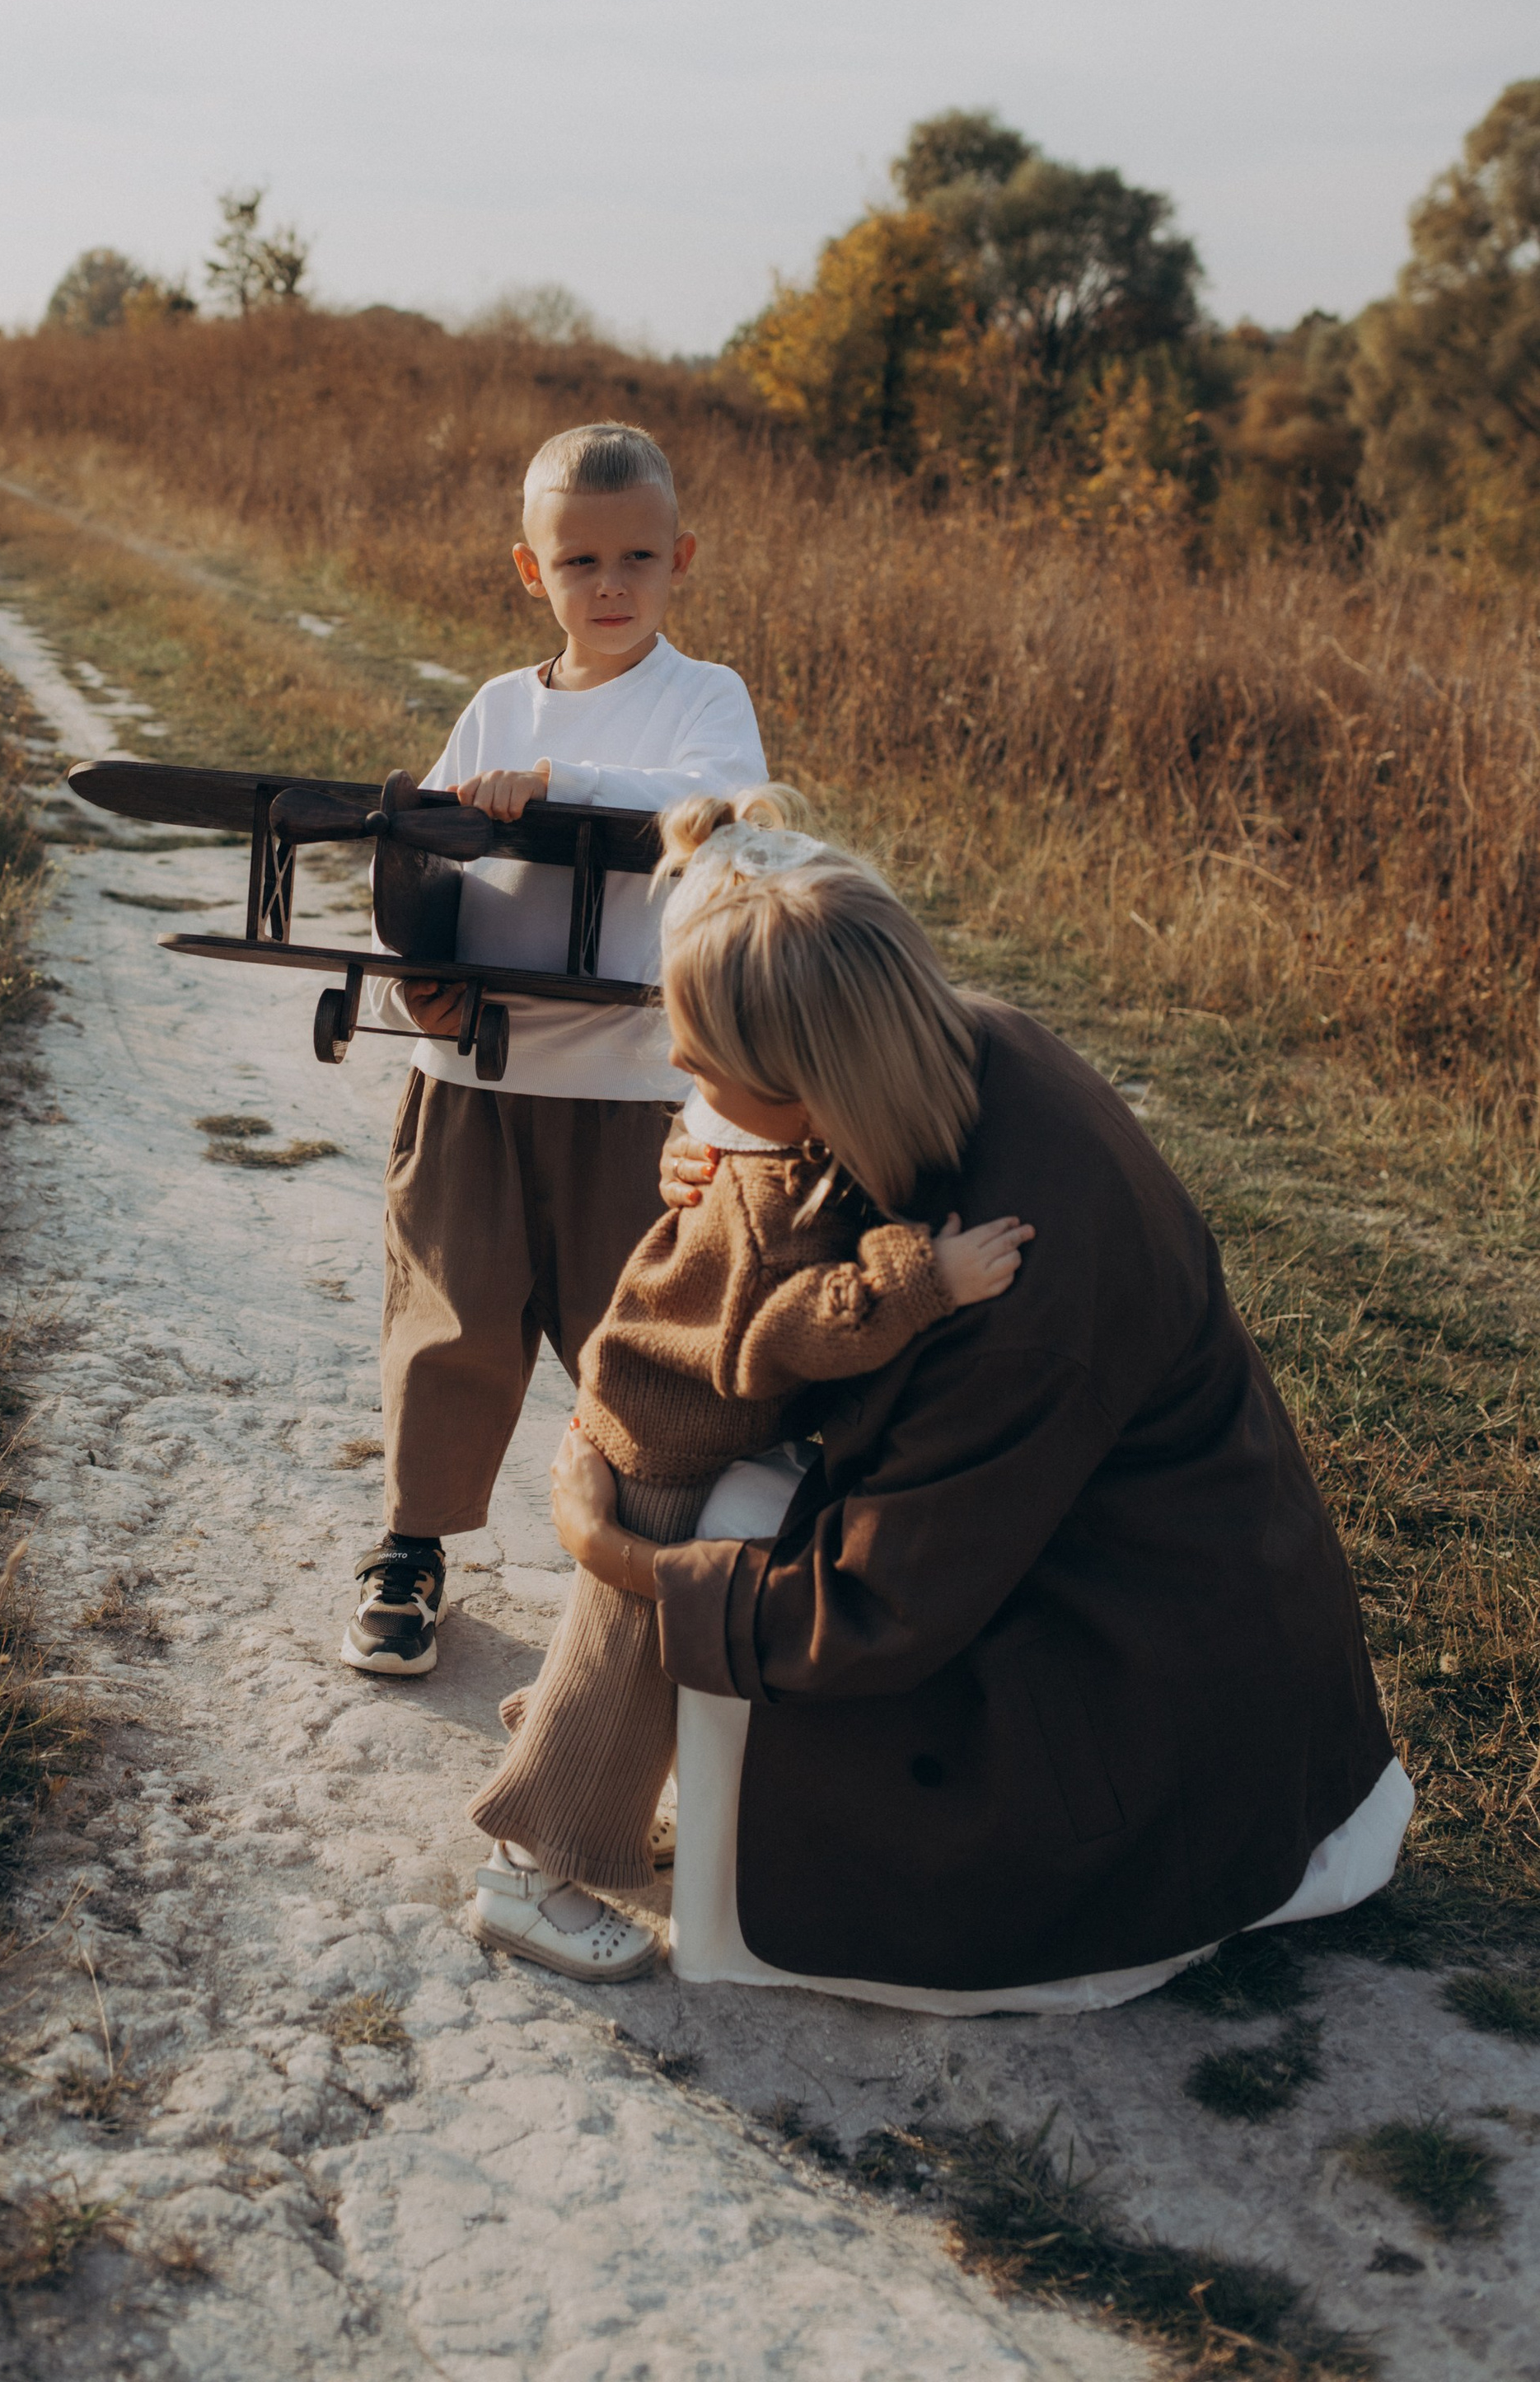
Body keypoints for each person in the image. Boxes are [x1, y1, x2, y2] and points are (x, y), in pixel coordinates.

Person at [522, 793, 1411, 2001]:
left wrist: (613, 1548)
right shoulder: (965, 1040)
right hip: (1190, 1600)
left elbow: (877, 1607)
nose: (680, 1074)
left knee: (727, 1518)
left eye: (707, 1065)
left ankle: (572, 1816)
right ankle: (628, 1753)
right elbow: (788, 1159)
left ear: (809, 1079)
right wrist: (709, 1143)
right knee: (740, 1512)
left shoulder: (1017, 1308)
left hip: (1128, 1693)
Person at [340, 422, 767, 1678]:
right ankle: (412, 1550)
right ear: (534, 573)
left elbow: (722, 817)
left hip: (633, 1085)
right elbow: (422, 851)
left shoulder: (705, 700)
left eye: (639, 555)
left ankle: (636, 1579)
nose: (612, 584)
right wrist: (425, 978)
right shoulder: (495, 707)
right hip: (477, 1072)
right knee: (450, 1317)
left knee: (631, 1338)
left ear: (681, 558)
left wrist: (553, 781)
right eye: (580, 561)